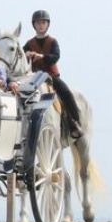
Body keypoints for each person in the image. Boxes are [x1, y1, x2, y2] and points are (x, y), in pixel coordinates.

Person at [24, 10, 82, 138]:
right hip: (35, 78)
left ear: (47, 24)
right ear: (34, 25)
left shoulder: (52, 41)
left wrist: (42, 57)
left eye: (43, 22)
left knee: (66, 92)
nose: (41, 25)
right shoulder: (29, 44)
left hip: (51, 76)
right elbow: (21, 59)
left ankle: (74, 122)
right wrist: (26, 55)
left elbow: (56, 57)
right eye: (38, 23)